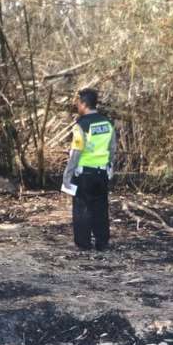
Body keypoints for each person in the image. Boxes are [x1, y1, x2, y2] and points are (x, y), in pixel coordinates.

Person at [62, 87, 117, 251]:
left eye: (78, 103)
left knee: (82, 209)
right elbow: (112, 147)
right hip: (102, 172)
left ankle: (84, 243)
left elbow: (76, 152)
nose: (77, 106)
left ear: (84, 104)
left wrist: (67, 175)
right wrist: (110, 166)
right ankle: (102, 242)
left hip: (84, 174)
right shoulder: (107, 122)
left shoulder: (81, 125)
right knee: (101, 208)